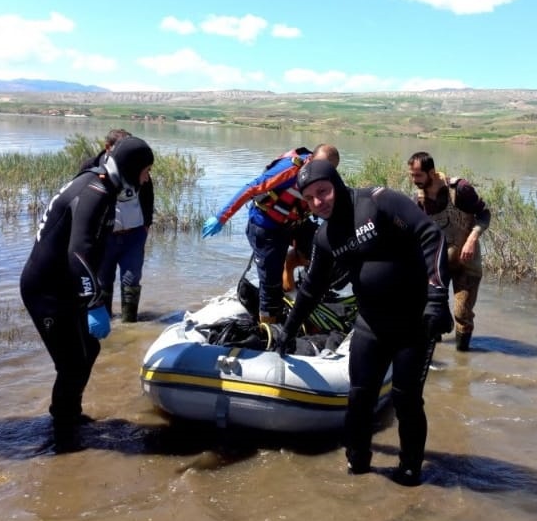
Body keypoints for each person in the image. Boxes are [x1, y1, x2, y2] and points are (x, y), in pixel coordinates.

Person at [274, 160, 453, 486]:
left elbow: (431, 235)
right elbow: (312, 286)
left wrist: (437, 299)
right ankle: (357, 466)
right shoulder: (325, 237)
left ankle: (411, 471)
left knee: (406, 399)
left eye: (323, 191)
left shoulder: (378, 202)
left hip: (414, 323)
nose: (319, 202)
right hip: (370, 324)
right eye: (310, 197)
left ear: (337, 184)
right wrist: (288, 328)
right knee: (359, 398)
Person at [20, 136, 154, 451]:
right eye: (146, 171)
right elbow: (78, 253)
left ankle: (67, 417)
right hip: (46, 289)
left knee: (87, 352)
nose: (147, 178)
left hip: (65, 285)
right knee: (72, 362)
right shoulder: (93, 192)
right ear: (132, 168)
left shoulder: (103, 185)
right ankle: (63, 434)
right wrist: (94, 302)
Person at [202, 143, 340, 324]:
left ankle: (289, 265)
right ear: (311, 159)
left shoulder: (328, 177)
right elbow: (252, 188)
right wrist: (221, 217)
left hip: (295, 223)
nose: (320, 173)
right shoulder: (290, 169)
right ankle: (269, 326)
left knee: (322, 254)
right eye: (319, 166)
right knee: (270, 287)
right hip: (266, 226)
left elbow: (341, 202)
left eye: (327, 170)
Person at [407, 152, 492, 351]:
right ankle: (433, 360)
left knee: (462, 313)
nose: (413, 180)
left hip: (466, 263)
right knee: (432, 312)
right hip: (437, 266)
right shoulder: (418, 200)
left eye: (417, 175)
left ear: (431, 172)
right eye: (411, 175)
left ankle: (463, 356)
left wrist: (472, 239)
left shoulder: (460, 189)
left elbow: (485, 214)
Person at [80, 129, 155, 323]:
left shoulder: (137, 169)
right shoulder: (92, 167)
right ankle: (106, 324)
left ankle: (130, 323)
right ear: (108, 148)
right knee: (103, 282)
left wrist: (145, 227)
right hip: (105, 238)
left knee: (131, 281)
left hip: (133, 236)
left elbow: (148, 199)